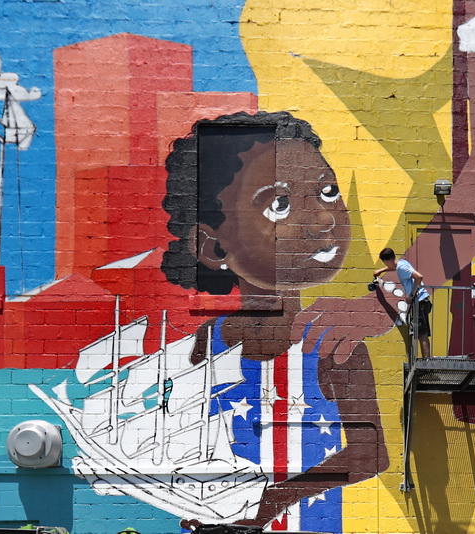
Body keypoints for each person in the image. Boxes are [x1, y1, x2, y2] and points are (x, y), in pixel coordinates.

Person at [162, 111, 396, 530]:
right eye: (280, 204)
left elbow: (371, 452)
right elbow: (184, 436)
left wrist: (272, 501)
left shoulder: (334, 343)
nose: (325, 218)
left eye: (327, 192)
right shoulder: (207, 342)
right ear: (214, 247)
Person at [374, 247, 432, 359]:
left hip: (419, 300)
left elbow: (419, 277)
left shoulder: (401, 267)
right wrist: (380, 271)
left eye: (385, 263)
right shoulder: (401, 264)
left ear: (386, 261)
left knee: (421, 333)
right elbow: (394, 268)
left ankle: (427, 361)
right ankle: (426, 359)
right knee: (421, 332)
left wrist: (411, 295)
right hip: (422, 300)